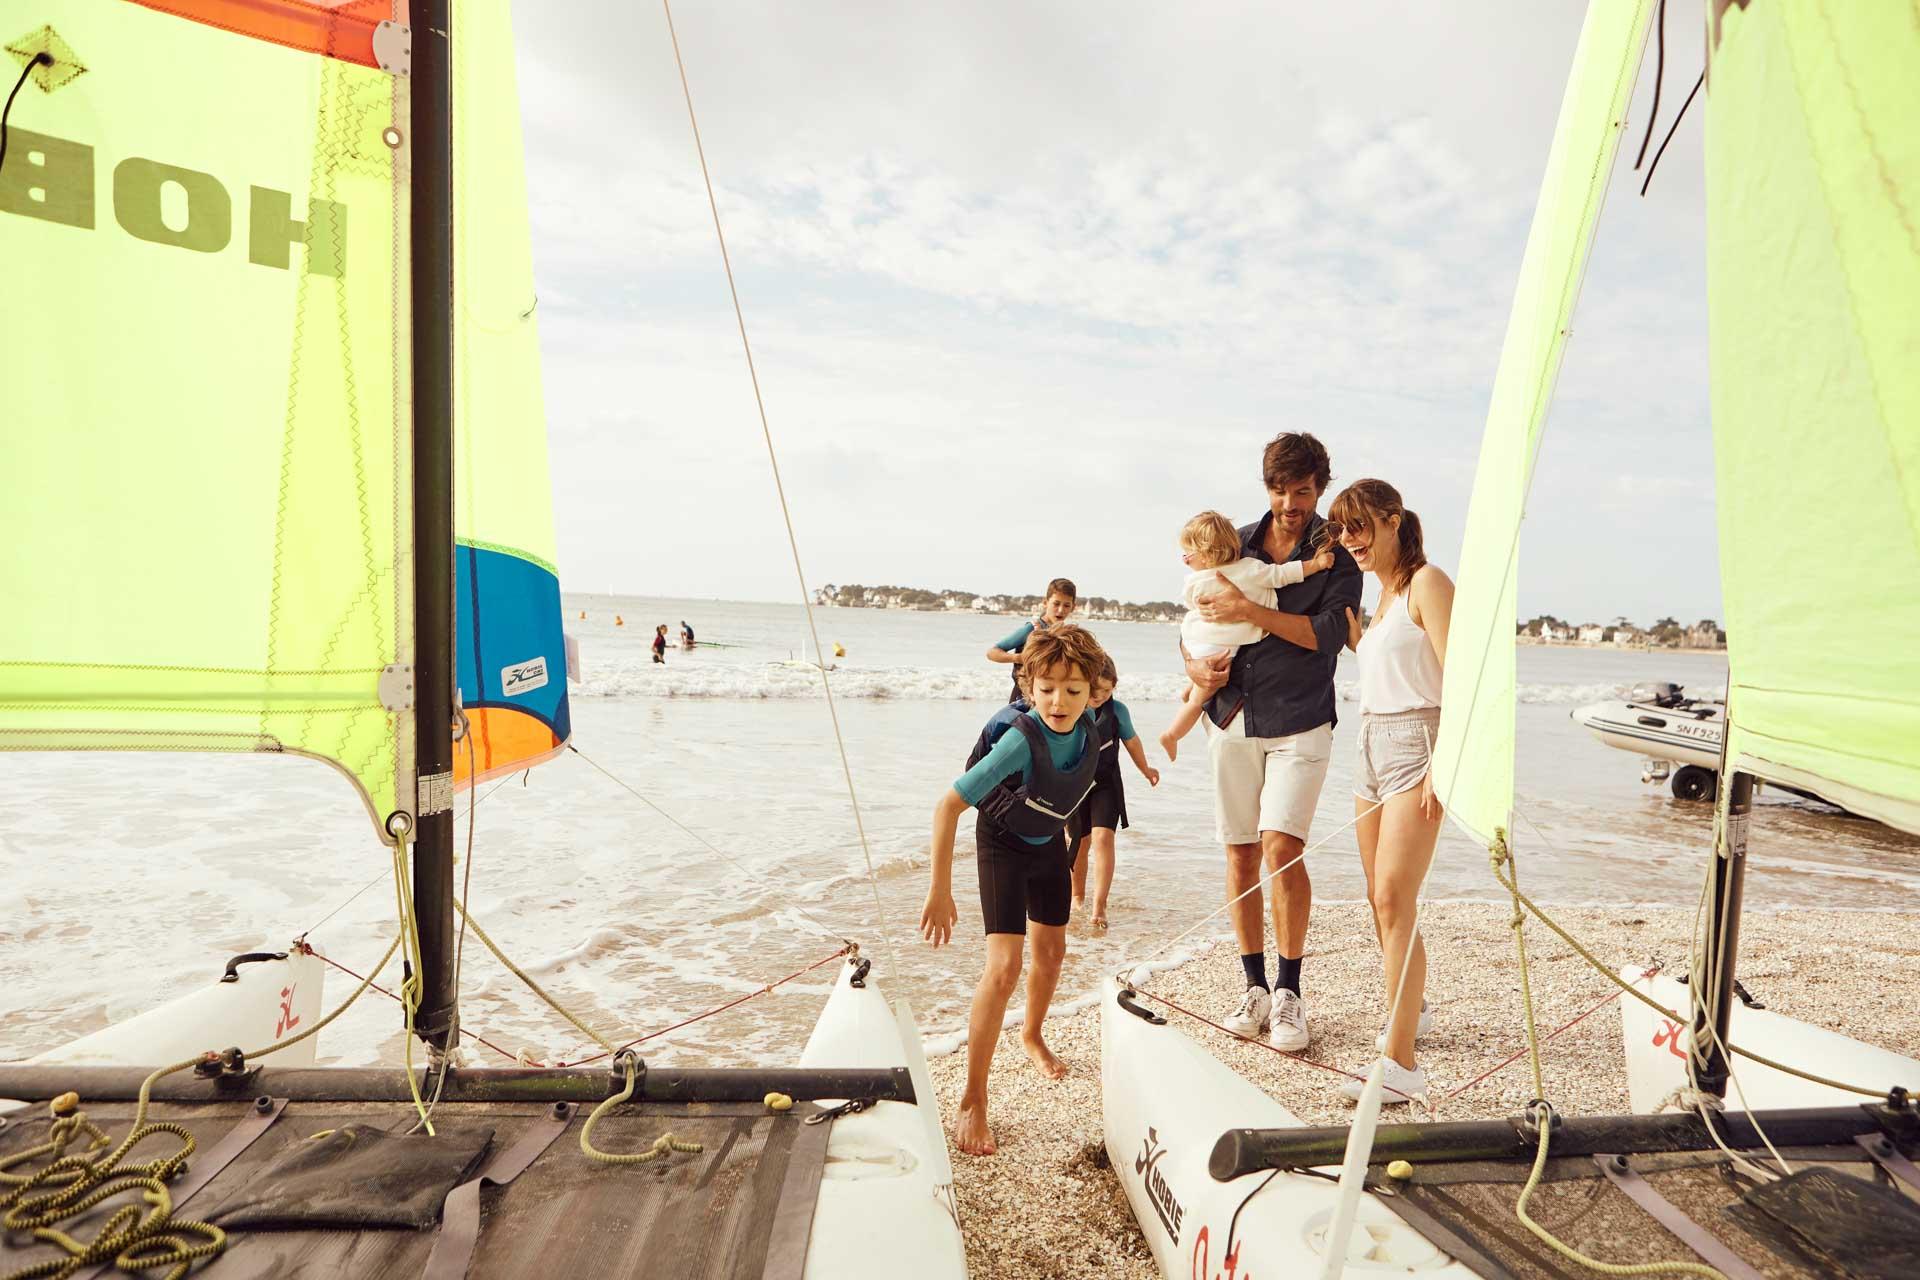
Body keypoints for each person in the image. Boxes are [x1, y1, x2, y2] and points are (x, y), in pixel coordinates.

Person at [1183, 432, 1361, 1052]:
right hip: (1232, 716)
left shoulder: (1336, 557)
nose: (1290, 502)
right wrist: (1191, 664)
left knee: (1280, 846)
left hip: (1303, 718)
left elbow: (1328, 635)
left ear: (1320, 488)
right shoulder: (1230, 542)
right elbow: (1196, 615)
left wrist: (1250, 610)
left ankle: (1290, 992)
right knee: (1238, 853)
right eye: (1280, 490)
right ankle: (1253, 986)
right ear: (1267, 487)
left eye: (1303, 490)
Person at [922, 624, 1109, 1156]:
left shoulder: (1091, 724)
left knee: (1052, 954)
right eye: (1046, 688)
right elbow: (948, 806)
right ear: (1029, 686)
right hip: (1003, 846)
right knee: (1003, 968)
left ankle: (1031, 1035)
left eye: (1073, 690)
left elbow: (1071, 793)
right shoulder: (1017, 741)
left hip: (1047, 843)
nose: (1058, 701)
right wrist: (941, 889)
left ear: (1093, 691)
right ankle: (973, 1098)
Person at [1330, 479, 1452, 1105]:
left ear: (1392, 520)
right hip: (1370, 744)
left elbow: (1461, 677)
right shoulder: (1379, 601)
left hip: (1418, 746)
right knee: (1378, 901)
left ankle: (1400, 1064)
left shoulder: (1427, 582)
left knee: (1392, 897)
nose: (1349, 539)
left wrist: (1445, 763)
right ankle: (1414, 1011)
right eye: (1341, 529)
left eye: (1359, 526)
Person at [1160, 511, 1335, 762]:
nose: (1185, 560)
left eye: (1189, 553)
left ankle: (1177, 720)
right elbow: (1283, 575)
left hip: (1198, 640)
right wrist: (1316, 565)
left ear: (1208, 554)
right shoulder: (1251, 568)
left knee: (1201, 682)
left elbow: (1191, 604)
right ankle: (1173, 734)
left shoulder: (1194, 582)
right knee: (1199, 699)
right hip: (1219, 646)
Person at [1070, 657, 1160, 932]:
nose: (1099, 696)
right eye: (1095, 689)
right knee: (1077, 843)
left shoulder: (1118, 711)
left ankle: (1099, 905)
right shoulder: (1071, 707)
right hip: (1072, 786)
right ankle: (1077, 897)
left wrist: (1145, 768)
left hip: (1106, 783)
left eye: (1106, 691)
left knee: (1102, 838)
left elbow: (1132, 741)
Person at [985, 578, 1077, 704]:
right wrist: (1019, 658)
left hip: (1048, 698)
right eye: (1056, 604)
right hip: (1023, 697)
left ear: (1073, 607)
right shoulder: (1031, 628)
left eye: (1066, 605)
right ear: (1045, 603)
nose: (1061, 610)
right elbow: (992, 653)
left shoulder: (1065, 634)